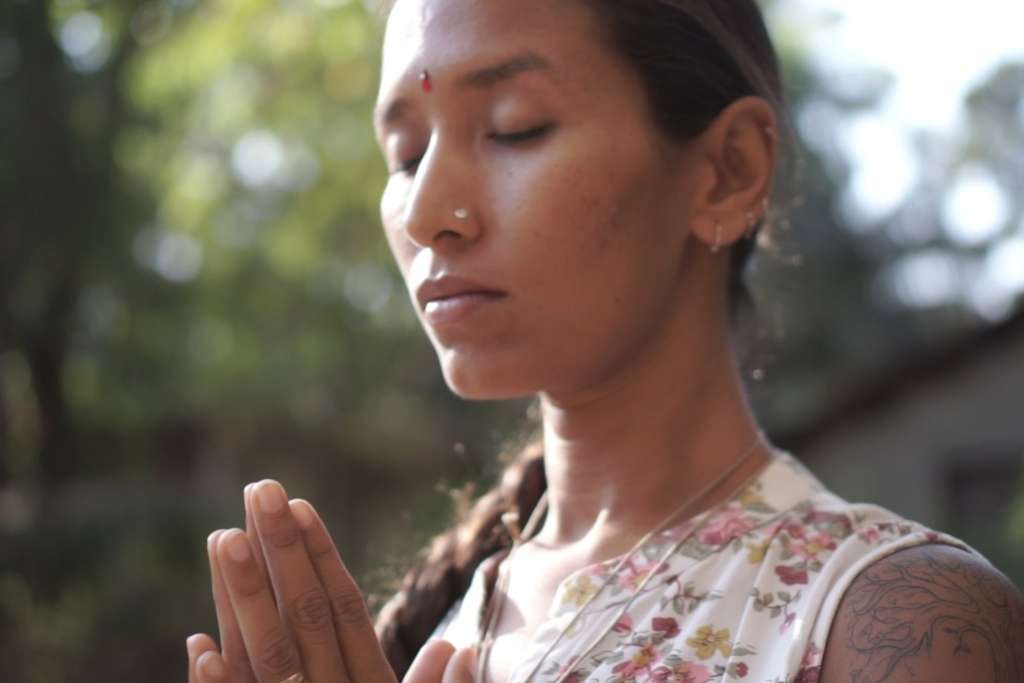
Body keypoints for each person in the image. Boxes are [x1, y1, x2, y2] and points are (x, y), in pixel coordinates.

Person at [184, 1, 1024, 682]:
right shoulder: (421, 639)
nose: (426, 210)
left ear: (726, 169)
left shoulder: (900, 626)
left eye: (514, 127)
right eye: (406, 154)